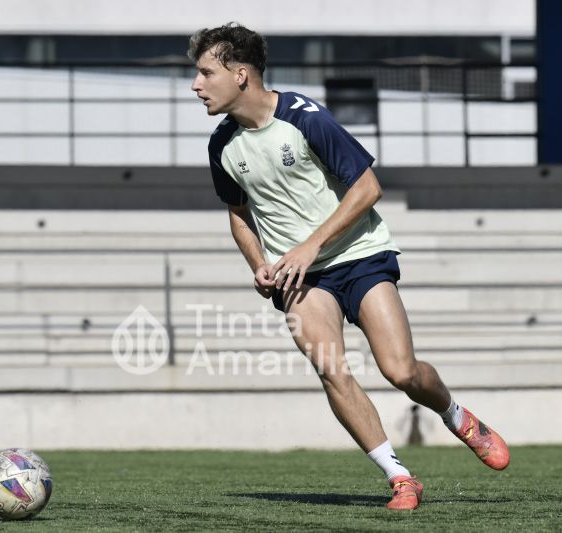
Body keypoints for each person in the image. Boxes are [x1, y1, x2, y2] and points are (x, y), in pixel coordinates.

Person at [188, 23, 509, 511]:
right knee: (332, 368)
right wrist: (259, 263)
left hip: (358, 255)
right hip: (302, 278)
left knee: (400, 371)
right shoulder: (221, 145)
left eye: (205, 73)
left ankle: (455, 413)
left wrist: (308, 246)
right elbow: (238, 214)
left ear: (240, 75)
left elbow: (368, 189)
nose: (196, 84)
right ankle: (400, 477)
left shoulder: (304, 117)